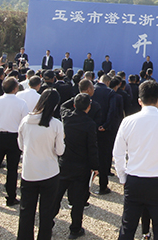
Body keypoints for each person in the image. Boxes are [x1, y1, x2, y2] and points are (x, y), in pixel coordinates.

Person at [113, 79, 158, 240]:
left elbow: (118, 153)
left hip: (134, 181)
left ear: (140, 101)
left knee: (127, 228)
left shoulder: (128, 121)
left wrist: (123, 177)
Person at [17, 89, 65, 240]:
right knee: (46, 212)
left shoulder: (25, 121)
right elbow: (60, 151)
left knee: (26, 210)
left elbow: (21, 145)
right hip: (49, 172)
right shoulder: (56, 124)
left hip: (29, 171)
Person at [55, 92, 99, 239]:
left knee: (57, 196)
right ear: (89, 107)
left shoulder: (66, 117)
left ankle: (47, 222)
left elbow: (62, 105)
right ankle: (75, 229)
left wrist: (76, 97)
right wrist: (95, 166)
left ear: (74, 105)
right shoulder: (90, 124)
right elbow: (92, 147)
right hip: (82, 165)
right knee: (78, 200)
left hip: (65, 162)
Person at [0, 77, 29, 207]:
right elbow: (25, 122)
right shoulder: (21, 103)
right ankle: (11, 197)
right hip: (14, 137)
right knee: (12, 169)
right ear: (15, 88)